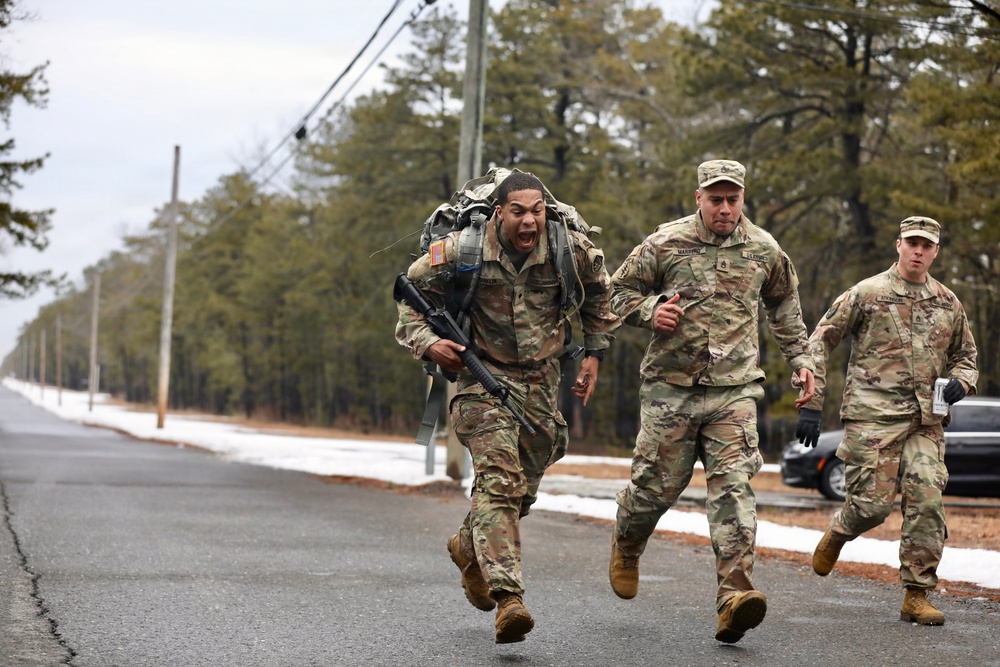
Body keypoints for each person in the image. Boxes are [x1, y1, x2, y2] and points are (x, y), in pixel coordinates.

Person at [395, 171, 619, 644]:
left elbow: (601, 296)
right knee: (501, 480)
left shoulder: (568, 250)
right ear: (499, 213)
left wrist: (594, 355)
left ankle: (467, 545)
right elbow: (408, 299)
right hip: (482, 379)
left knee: (522, 490)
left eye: (536, 211)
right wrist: (429, 343)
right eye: (518, 211)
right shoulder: (460, 251)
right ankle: (509, 598)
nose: (529, 220)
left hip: (541, 382)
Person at [608, 159, 815, 643]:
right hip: (670, 389)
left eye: (733, 199)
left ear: (743, 199)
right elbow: (614, 294)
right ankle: (628, 540)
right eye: (716, 199)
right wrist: (649, 311)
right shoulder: (665, 242)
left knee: (734, 491)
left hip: (735, 391)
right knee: (654, 491)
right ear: (698, 197)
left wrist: (801, 358)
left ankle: (734, 596)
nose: (724, 209)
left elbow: (784, 303)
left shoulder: (764, 248)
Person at [796, 216, 978, 626]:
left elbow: (967, 356)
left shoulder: (948, 303)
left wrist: (962, 383)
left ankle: (917, 594)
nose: (918, 251)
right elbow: (820, 340)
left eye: (926, 245)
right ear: (898, 244)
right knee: (871, 508)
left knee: (927, 499)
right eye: (912, 242)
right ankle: (842, 529)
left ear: (935, 252)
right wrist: (811, 402)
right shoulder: (867, 293)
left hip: (924, 422)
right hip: (872, 418)